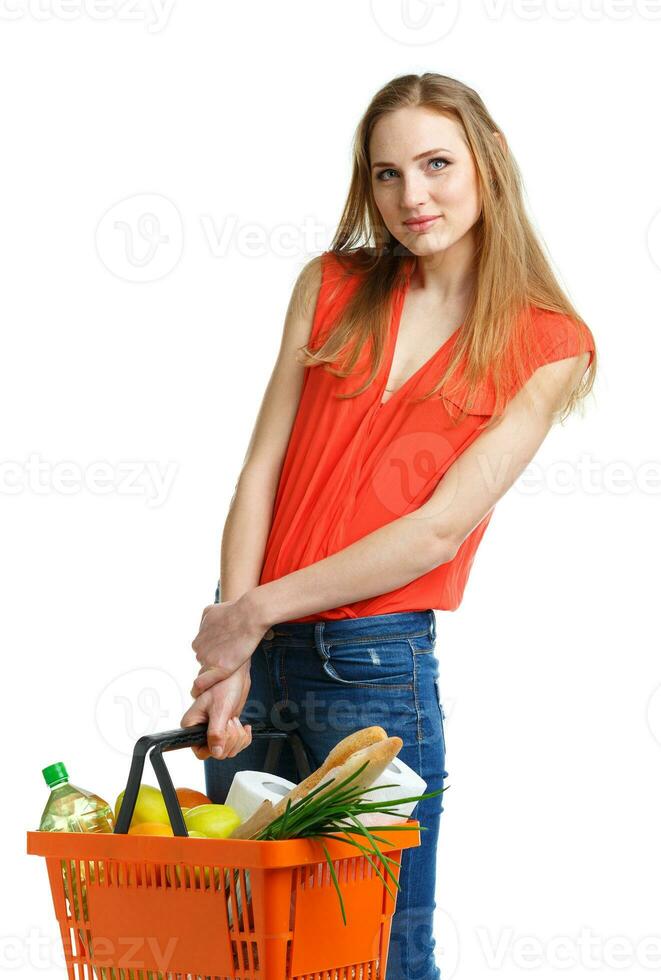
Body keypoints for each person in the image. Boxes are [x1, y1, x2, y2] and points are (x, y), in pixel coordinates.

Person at [180, 72, 597, 980]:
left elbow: (435, 532)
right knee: (245, 949)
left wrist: (248, 616)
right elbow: (262, 468)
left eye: (436, 164)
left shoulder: (548, 342)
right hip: (254, 650)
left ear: (486, 164)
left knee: (376, 952)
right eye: (386, 174)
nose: (413, 197)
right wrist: (232, 652)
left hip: (372, 673)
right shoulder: (330, 284)